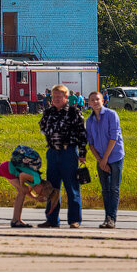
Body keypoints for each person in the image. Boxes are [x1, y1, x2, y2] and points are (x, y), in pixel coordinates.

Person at [38, 84, 87, 228]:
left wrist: (82, 154)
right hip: (53, 152)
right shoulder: (48, 112)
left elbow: (82, 134)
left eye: (59, 97)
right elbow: (42, 127)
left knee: (72, 187)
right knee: (52, 188)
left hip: (69, 153)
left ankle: (74, 220)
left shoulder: (74, 112)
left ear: (66, 97)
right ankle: (52, 220)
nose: (56, 99)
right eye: (54, 97)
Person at [86, 91, 124, 229]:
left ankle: (112, 218)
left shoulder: (111, 115)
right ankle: (107, 217)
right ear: (89, 103)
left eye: (97, 99)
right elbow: (90, 142)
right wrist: (100, 160)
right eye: (92, 100)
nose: (95, 102)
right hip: (100, 157)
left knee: (114, 188)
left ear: (103, 101)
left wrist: (105, 159)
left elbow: (114, 138)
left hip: (114, 156)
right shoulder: (89, 121)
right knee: (105, 190)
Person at [0, 147, 55, 228]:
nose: (37, 193)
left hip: (6, 167)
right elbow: (22, 175)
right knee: (22, 192)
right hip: (7, 168)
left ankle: (16, 220)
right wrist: (22, 186)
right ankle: (16, 221)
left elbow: (27, 192)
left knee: (23, 192)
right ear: (42, 186)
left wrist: (35, 198)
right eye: (39, 192)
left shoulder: (34, 183)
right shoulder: (36, 180)